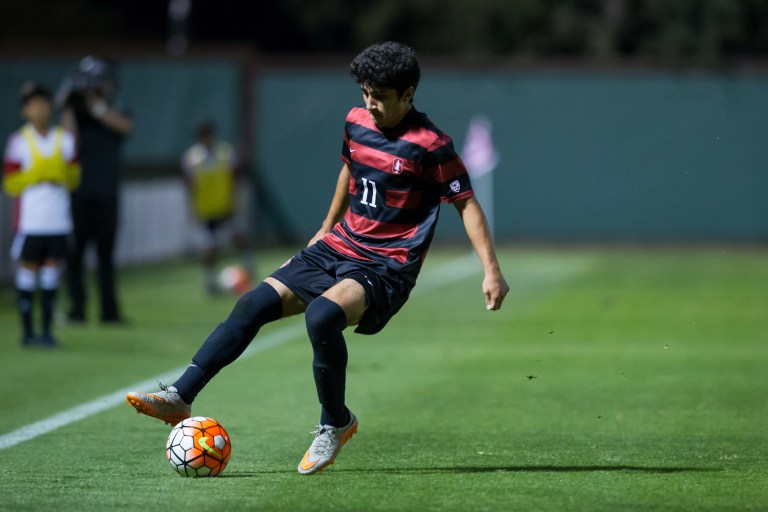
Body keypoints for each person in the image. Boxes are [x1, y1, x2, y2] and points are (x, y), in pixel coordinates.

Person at [126, 42, 509, 475]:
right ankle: (181, 396)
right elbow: (351, 167)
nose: (371, 104)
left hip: (387, 266)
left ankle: (335, 423)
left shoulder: (432, 144)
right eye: (366, 92)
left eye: (380, 96)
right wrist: (327, 226)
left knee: (322, 316)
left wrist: (491, 271)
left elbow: (466, 204)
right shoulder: (356, 120)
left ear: (408, 94)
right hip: (340, 244)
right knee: (252, 304)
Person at [2, 82, 80, 347]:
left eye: (43, 103)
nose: (39, 109)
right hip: (30, 221)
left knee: (50, 274)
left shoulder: (65, 139)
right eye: (32, 104)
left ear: (50, 107)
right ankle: (27, 332)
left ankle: (46, 332)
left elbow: (75, 178)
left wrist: (62, 174)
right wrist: (40, 173)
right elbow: (10, 183)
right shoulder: (18, 142)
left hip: (57, 220)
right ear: (25, 110)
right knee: (27, 273)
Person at [58, 55, 133, 323]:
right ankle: (77, 309)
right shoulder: (76, 113)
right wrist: (68, 107)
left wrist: (95, 105)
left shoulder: (116, 108)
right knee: (75, 255)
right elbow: (70, 145)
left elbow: (124, 127)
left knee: (105, 257)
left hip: (107, 194)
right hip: (79, 193)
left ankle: (108, 311)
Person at [181, 121, 254, 295]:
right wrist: (191, 209)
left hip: (226, 207)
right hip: (206, 211)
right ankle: (210, 281)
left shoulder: (225, 153)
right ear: (199, 138)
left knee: (239, 237)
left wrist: (236, 201)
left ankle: (249, 268)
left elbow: (234, 178)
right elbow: (189, 185)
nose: (207, 139)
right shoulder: (191, 158)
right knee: (210, 248)